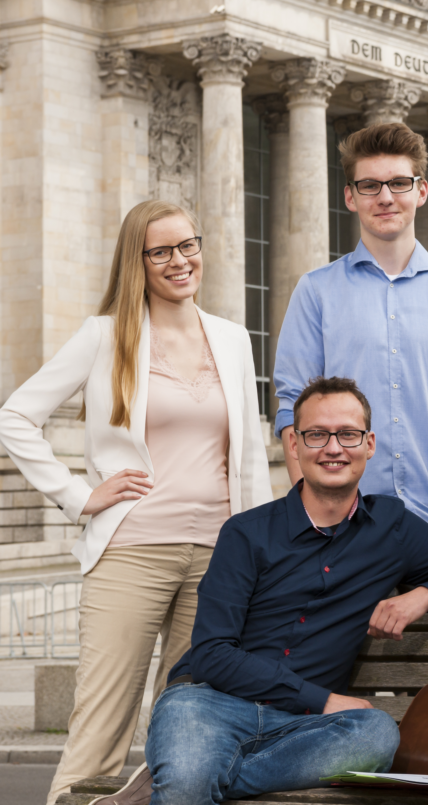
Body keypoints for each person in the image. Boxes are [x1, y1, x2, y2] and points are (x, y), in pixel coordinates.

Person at [101, 376, 428, 805]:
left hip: (303, 728)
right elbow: (212, 654)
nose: (333, 448)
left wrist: (424, 595)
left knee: (375, 734)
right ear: (295, 446)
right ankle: (185, 776)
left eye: (348, 434)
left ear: (369, 444)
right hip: (209, 705)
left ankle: (181, 778)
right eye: (317, 434)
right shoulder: (246, 533)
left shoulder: (391, 528)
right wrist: (324, 699)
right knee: (188, 783)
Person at [0, 201, 272, 805]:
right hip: (131, 553)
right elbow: (16, 417)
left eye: (188, 245)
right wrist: (79, 496)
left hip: (218, 562)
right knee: (99, 733)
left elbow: (249, 454)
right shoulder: (105, 334)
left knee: (185, 732)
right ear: (138, 261)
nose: (180, 261)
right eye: (162, 251)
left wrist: (262, 547)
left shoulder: (230, 337)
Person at [272, 122, 428, 537]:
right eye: (370, 186)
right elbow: (292, 412)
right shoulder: (315, 291)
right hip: (342, 529)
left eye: (398, 183)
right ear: (350, 197)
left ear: (421, 191)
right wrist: (315, 517)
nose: (386, 197)